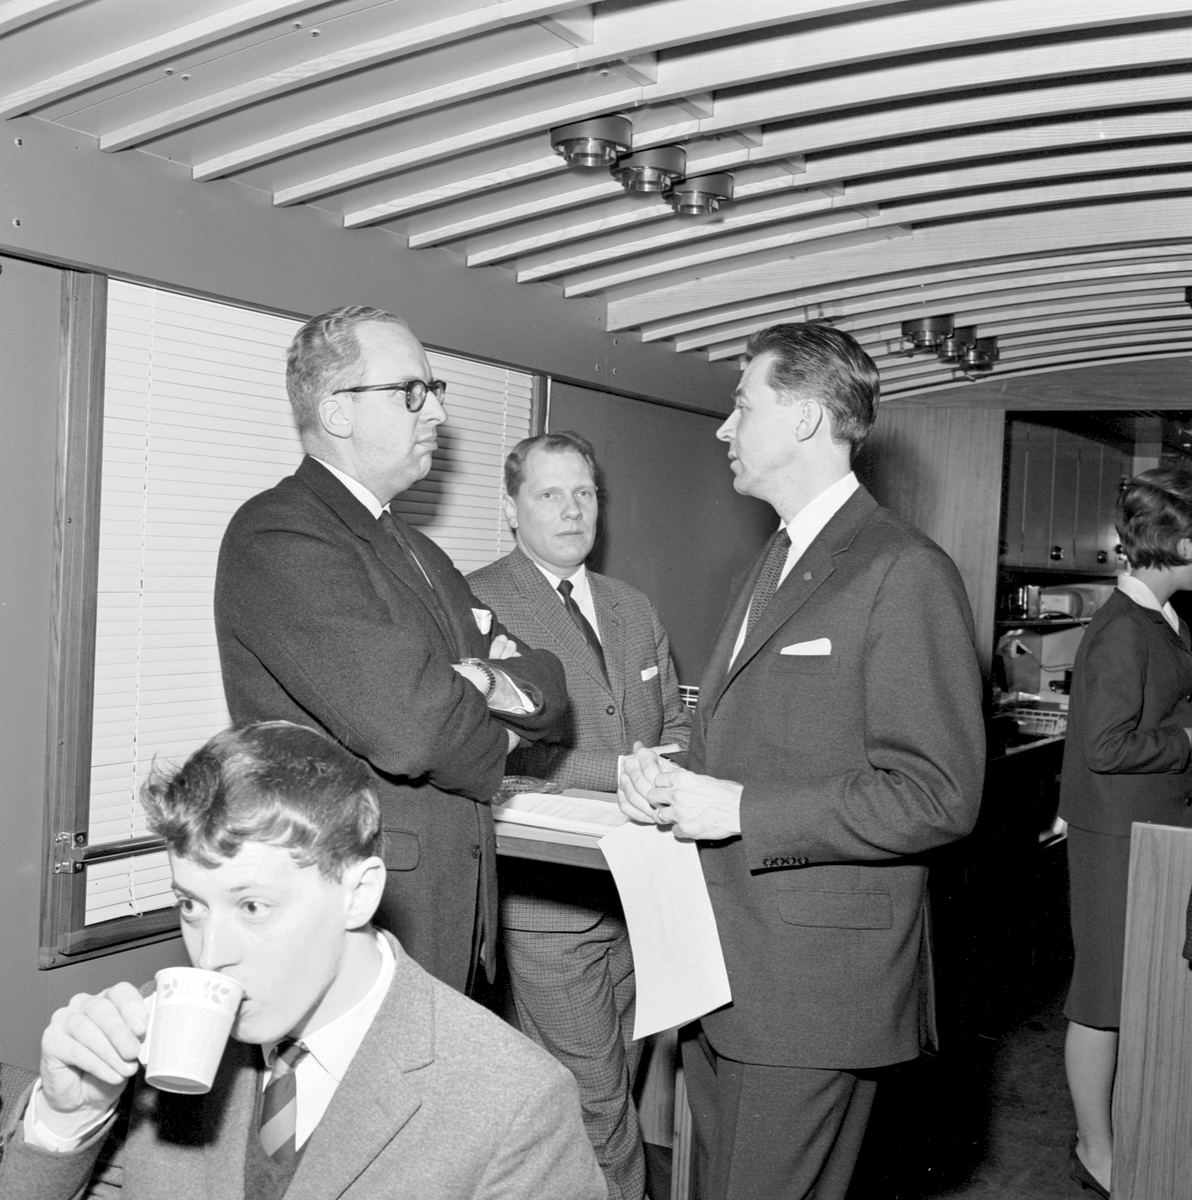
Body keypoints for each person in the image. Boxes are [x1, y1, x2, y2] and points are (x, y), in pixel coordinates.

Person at [618, 323, 985, 1200]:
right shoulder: (777, 559)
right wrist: (669, 772)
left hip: (810, 991)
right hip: (730, 972)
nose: (724, 427)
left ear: (807, 419)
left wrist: (740, 810)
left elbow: (938, 794)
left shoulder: (903, 570)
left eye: (742, 405)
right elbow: (746, 734)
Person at [0, 721, 606, 1200]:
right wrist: (66, 1121)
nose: (211, 956)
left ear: (358, 893)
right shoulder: (154, 1042)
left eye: (253, 906)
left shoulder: (514, 1103)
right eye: (191, 905)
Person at [214, 306, 566, 996]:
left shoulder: (418, 550)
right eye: (411, 391)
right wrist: (489, 715)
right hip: (364, 918)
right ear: (336, 412)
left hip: (455, 916)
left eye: (434, 390)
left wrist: (481, 682)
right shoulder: (281, 535)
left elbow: (547, 682)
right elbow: (415, 728)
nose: (437, 412)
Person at [468, 431, 690, 1200]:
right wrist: (624, 771)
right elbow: (490, 755)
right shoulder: (474, 603)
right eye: (549, 494)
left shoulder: (632, 606)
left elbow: (674, 721)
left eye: (585, 493)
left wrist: (670, 764)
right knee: (595, 1105)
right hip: (548, 908)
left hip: (639, 896)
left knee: (616, 1079)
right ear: (511, 508)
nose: (572, 510)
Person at [1059, 466, 1192, 1198]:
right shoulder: (1120, 631)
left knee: (1134, 993)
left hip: (1152, 831)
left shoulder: (1162, 618)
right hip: (1116, 836)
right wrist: (1189, 740)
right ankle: (1094, 1147)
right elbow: (1106, 746)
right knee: (1103, 999)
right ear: (1181, 544)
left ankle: (1132, 1134)